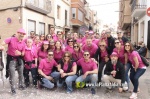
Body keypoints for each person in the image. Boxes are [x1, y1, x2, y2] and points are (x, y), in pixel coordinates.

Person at [1, 28, 26, 94]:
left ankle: (21, 85)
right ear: (17, 33)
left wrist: (20, 53)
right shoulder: (11, 39)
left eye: (23, 34)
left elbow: (23, 53)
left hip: (19, 60)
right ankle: (13, 89)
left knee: (21, 74)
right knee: (12, 75)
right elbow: (3, 43)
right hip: (11, 60)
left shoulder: (23, 43)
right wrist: (2, 46)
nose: (22, 35)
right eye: (21, 33)